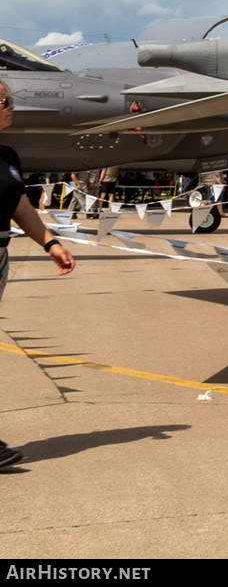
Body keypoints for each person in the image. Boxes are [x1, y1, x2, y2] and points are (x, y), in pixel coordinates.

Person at [0, 79, 77, 468]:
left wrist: (50, 243)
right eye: (5, 101)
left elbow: (19, 206)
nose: (12, 106)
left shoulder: (7, 154)